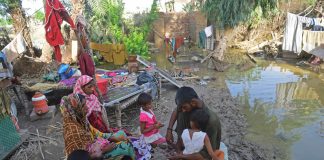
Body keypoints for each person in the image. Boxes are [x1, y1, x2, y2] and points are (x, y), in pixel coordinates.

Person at [61, 93, 135, 159]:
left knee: (122, 134)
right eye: (83, 106)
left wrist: (112, 137)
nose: (87, 108)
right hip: (96, 156)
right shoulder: (73, 132)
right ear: (76, 109)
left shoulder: (81, 119)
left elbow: (96, 133)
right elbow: (83, 157)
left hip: (97, 146)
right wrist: (104, 150)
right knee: (126, 146)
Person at [165, 87, 222, 160]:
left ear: (193, 102)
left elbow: (207, 154)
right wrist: (169, 130)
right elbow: (177, 110)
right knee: (182, 113)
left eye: (184, 107)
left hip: (202, 154)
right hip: (188, 148)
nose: (183, 110)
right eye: (181, 108)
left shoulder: (211, 120)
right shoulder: (186, 107)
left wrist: (181, 156)